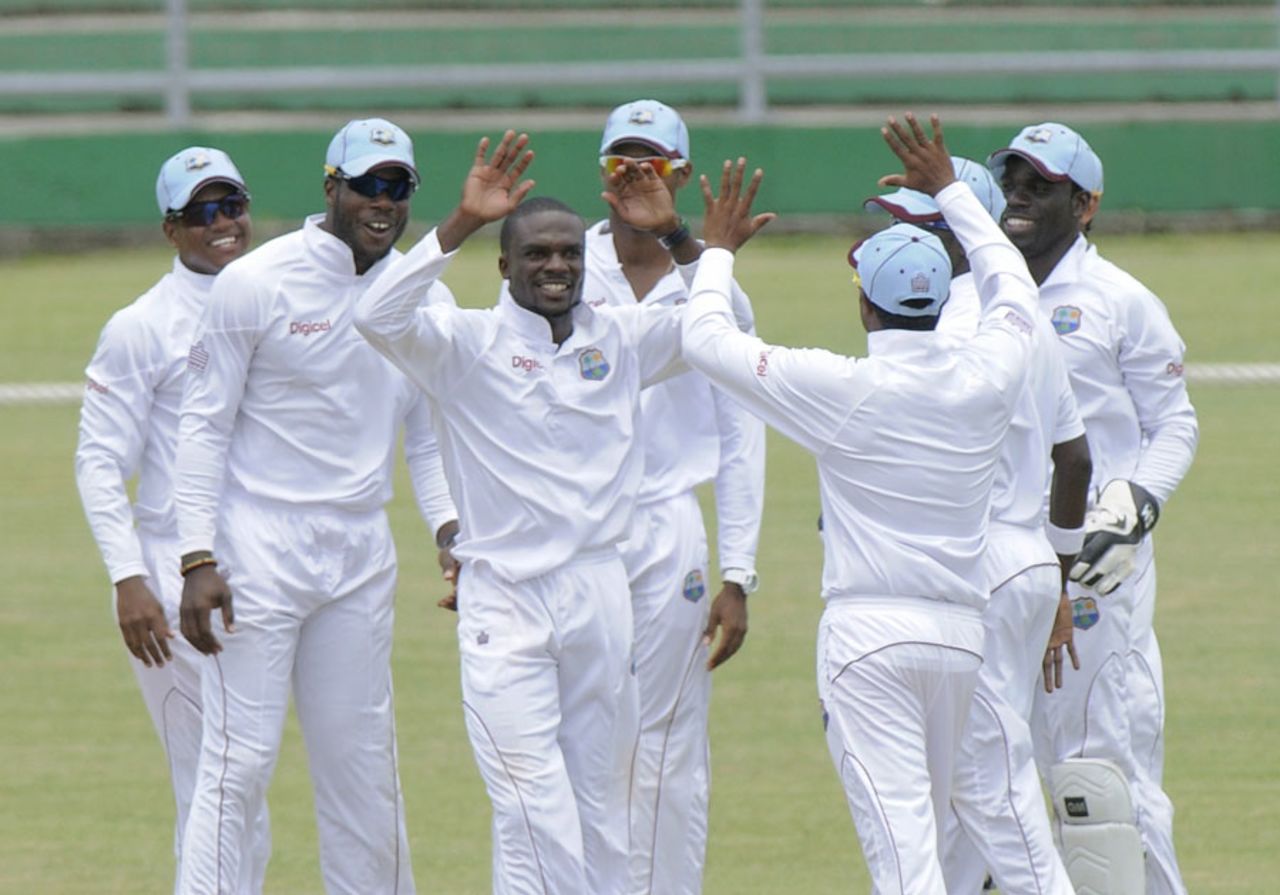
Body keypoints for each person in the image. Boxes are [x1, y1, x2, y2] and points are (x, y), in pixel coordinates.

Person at [680, 114, 1044, 895]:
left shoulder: (841, 385)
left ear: (865, 305)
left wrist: (714, 251)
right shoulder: (990, 374)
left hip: (868, 635)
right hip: (961, 636)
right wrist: (952, 186)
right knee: (999, 829)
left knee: (906, 856)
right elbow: (1010, 277)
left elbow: (704, 341)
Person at [354, 131, 715, 895]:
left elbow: (714, 326)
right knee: (531, 805)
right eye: (538, 255)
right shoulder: (466, 345)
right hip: (506, 602)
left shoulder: (617, 339)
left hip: (598, 595)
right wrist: (457, 224)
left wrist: (678, 235)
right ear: (505, 265)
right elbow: (377, 318)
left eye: (569, 255)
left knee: (598, 807)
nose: (557, 267)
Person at [173, 118, 457, 895]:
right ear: (330, 185)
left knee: (364, 764)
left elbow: (428, 435)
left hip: (360, 552)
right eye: (366, 183)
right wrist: (196, 555)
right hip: (255, 546)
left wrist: (449, 527)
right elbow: (202, 428)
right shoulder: (256, 282)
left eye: (397, 186)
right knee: (238, 763)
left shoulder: (424, 290)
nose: (381, 201)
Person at [867, 159, 1094, 894]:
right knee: (982, 774)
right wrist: (1055, 579)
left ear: (960, 227)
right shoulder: (1017, 309)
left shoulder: (941, 326)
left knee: (976, 786)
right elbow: (1075, 458)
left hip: (967, 563)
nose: (898, 235)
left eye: (917, 222)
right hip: (1024, 557)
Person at [991, 122, 1199, 895]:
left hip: (1095, 571)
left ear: (1084, 205)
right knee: (995, 778)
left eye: (1038, 183)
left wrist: (1137, 503)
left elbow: (1174, 424)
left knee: (1101, 783)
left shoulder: (1121, 302)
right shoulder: (981, 291)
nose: (1017, 193)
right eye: (1011, 176)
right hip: (1005, 561)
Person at [75, 146, 269, 894]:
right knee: (213, 782)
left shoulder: (271, 297)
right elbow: (98, 462)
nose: (223, 224)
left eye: (232, 206)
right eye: (202, 213)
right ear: (170, 229)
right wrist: (129, 578)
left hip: (256, 568)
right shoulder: (141, 326)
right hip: (167, 573)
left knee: (241, 781)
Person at [589, 98, 765, 895]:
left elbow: (741, 433)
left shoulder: (711, 285)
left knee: (666, 748)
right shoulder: (554, 259)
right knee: (580, 736)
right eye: (619, 162)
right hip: (574, 533)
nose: (633, 176)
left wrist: (741, 571)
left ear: (682, 175)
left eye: (651, 162)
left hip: (667, 529)